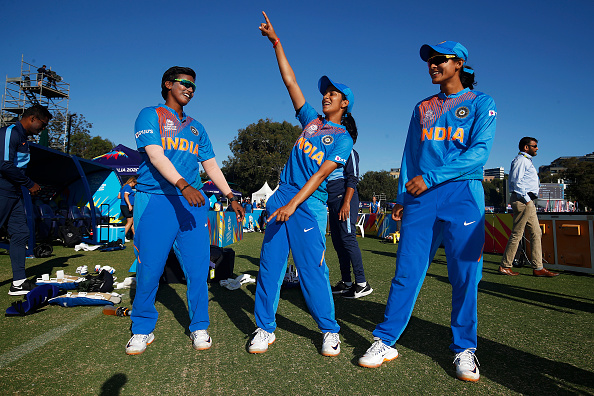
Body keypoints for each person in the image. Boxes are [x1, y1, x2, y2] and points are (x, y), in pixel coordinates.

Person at [358, 41, 497, 383]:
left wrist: (432, 177)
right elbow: (410, 154)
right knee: (407, 271)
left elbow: (479, 154)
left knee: (465, 276)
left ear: (459, 63)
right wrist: (402, 198)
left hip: (463, 194)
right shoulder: (423, 106)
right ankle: (385, 340)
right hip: (421, 198)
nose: (432, 65)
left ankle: (464, 348)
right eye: (430, 61)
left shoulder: (482, 103)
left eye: (439, 60)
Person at [249, 12, 355, 357]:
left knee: (312, 271)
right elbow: (290, 82)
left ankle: (328, 330)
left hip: (308, 204)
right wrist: (276, 42)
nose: (326, 96)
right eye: (325, 92)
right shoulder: (310, 122)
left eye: (333, 93)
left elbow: (321, 174)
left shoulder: (342, 138)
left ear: (345, 103)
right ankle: (264, 328)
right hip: (282, 194)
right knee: (270, 266)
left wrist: (292, 205)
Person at [126, 66, 245, 355]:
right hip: (155, 200)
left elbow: (211, 166)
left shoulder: (196, 127)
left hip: (192, 205)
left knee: (197, 269)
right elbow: (154, 155)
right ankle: (142, 328)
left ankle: (199, 326)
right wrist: (182, 184)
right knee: (150, 269)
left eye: (193, 86)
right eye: (184, 83)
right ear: (168, 84)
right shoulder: (149, 114)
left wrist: (230, 195)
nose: (190, 89)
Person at [0, 105, 52, 295]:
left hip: (14, 193)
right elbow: (4, 164)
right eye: (43, 124)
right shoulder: (11, 133)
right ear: (32, 118)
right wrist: (29, 183)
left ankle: (19, 282)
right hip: (2, 190)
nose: (43, 129)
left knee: (21, 233)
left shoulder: (24, 139)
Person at [499, 137, 558, 277]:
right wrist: (526, 200)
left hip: (526, 201)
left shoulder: (525, 161)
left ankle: (538, 267)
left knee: (536, 232)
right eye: (535, 146)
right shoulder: (521, 161)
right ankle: (505, 266)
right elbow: (515, 182)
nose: (537, 148)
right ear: (526, 147)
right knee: (517, 233)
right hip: (523, 201)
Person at [328, 149, 372, 298]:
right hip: (332, 200)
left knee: (348, 239)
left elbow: (353, 177)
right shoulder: (330, 150)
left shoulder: (349, 151)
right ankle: (346, 283)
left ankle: (362, 283)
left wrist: (346, 202)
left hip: (344, 198)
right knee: (338, 241)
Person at [119, 176, 137, 242]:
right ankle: (122, 237)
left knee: (131, 222)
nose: (134, 186)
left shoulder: (123, 187)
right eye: (134, 184)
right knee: (130, 222)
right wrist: (129, 204)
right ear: (132, 182)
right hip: (127, 206)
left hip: (123, 205)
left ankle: (135, 236)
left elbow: (119, 196)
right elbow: (125, 195)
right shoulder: (128, 187)